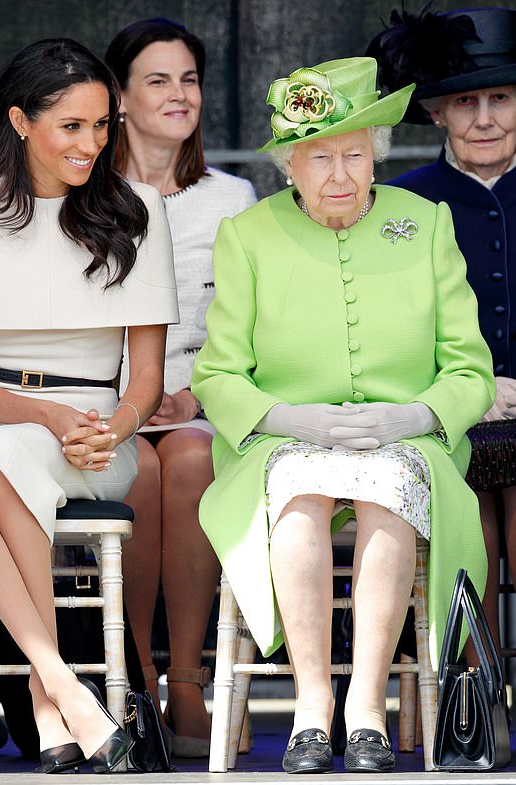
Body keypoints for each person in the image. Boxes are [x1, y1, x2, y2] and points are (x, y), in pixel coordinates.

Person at [191, 56, 495, 774]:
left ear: (375, 157)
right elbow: (218, 371)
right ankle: (309, 706)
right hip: (283, 441)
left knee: (386, 497)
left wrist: (414, 415)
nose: (338, 174)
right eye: (319, 156)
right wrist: (292, 418)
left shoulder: (425, 224)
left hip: (407, 441)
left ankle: (365, 705)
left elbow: (470, 367)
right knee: (300, 499)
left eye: (354, 155)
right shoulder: (248, 234)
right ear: (288, 164)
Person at [0, 38, 178, 774]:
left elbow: (143, 379)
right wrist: (46, 416)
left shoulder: (139, 209)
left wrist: (110, 427)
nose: (93, 144)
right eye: (72, 127)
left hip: (94, 435)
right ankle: (61, 691)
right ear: (20, 121)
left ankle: (53, 699)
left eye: (103, 126)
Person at [104, 18, 256, 757]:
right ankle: (133, 682)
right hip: (104, 402)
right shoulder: (83, 191)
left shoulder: (232, 197)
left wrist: (193, 393)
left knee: (191, 456)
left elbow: (250, 319)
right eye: (157, 79)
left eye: (189, 79)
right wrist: (132, 400)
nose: (179, 94)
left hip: (203, 396)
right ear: (120, 99)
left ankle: (188, 680)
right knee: (140, 471)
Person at [367, 4, 516, 656]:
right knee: (468, 515)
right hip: (445, 417)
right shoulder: (399, 203)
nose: (484, 118)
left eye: (502, 98)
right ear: (435, 112)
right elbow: (384, 329)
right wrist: (464, 391)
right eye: (465, 102)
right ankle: (475, 698)